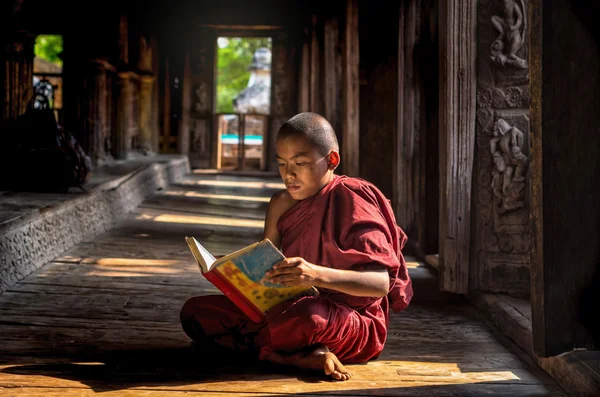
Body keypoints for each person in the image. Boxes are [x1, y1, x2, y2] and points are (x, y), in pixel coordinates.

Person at [180, 112, 413, 381]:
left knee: (307, 317)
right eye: (281, 164)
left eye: (300, 163)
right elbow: (266, 265)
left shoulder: (354, 200)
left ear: (331, 160)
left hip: (346, 319)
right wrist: (232, 271)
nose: (288, 174)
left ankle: (277, 353)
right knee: (195, 312)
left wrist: (314, 274)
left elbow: (379, 284)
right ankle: (299, 355)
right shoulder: (280, 204)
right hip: (285, 309)